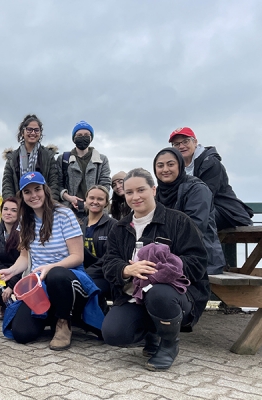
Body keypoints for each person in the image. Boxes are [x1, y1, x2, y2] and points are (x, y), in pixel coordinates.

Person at [101, 168, 210, 371]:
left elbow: (198, 261)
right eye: (129, 192)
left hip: (175, 296)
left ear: (153, 189)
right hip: (134, 296)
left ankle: (169, 344)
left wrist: (161, 269)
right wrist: (126, 270)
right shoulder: (119, 228)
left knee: (157, 292)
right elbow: (108, 263)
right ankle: (152, 332)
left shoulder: (178, 221)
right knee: (114, 334)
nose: (135, 197)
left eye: (141, 190)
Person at [0, 172, 104, 350]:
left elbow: (78, 256)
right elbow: (24, 257)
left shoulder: (64, 214)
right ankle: (53, 315)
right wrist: (12, 271)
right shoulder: (24, 219)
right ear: (22, 196)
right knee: (21, 334)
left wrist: (50, 267)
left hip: (67, 277)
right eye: (27, 192)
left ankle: (64, 322)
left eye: (37, 189)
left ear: (45, 189)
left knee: (56, 275)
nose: (33, 195)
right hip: (39, 284)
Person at [154, 148, 226, 275]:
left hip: (200, 259)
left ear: (181, 165)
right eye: (160, 165)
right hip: (168, 257)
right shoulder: (158, 192)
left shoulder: (197, 189)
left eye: (171, 164)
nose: (165, 169)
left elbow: (195, 227)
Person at [168, 127, 253, 230]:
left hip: (226, 212)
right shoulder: (175, 167)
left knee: (190, 220)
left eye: (185, 141)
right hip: (199, 210)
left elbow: (205, 196)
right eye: (176, 144)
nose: (181, 146)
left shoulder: (210, 163)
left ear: (195, 142)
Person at [2, 114, 59, 201]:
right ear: (22, 132)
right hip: (20, 206)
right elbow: (7, 185)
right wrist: (13, 205)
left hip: (43, 205)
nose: (33, 133)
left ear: (40, 133)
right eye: (29, 129)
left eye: (36, 130)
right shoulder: (12, 158)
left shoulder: (48, 156)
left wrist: (50, 205)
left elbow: (54, 183)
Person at [58, 120, 111, 213]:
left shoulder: (102, 160)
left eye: (86, 134)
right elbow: (58, 184)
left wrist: (92, 202)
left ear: (91, 137)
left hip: (96, 210)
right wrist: (69, 198)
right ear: (74, 138)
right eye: (79, 135)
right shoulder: (63, 159)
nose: (83, 137)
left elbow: (105, 184)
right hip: (69, 210)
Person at [81, 185, 117, 304]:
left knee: (88, 290)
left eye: (100, 199)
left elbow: (111, 256)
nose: (95, 202)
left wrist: (87, 273)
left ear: (106, 202)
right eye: (91, 198)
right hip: (81, 272)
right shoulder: (78, 224)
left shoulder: (114, 226)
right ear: (85, 200)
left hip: (104, 276)